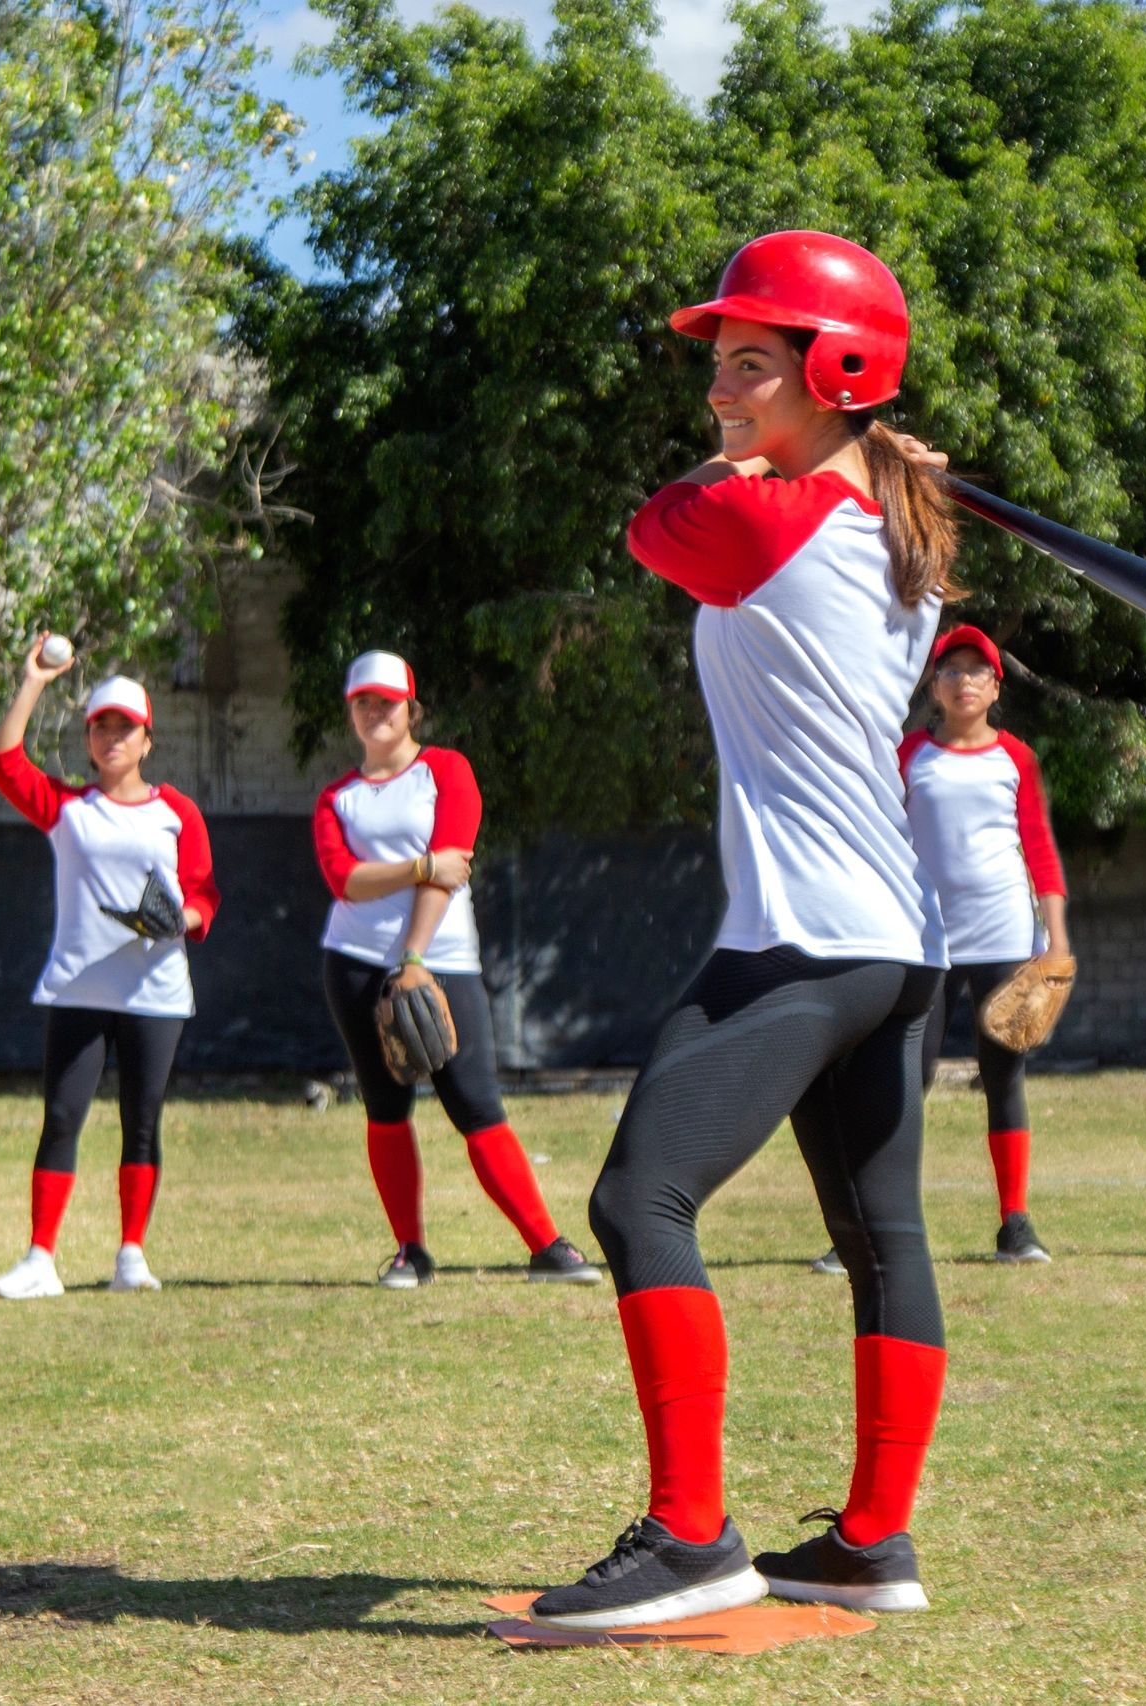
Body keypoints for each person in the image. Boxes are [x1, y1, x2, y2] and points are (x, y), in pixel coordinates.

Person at [530, 230, 956, 1631]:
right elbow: (754, 494)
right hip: (898, 942)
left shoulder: (779, 517)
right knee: (882, 1235)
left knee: (633, 1198)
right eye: (718, 365)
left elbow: (654, 525)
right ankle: (872, 1542)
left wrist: (783, 462)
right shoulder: (894, 533)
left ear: (839, 370)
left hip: (808, 938)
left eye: (751, 366)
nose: (719, 394)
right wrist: (836, 451)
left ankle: (692, 1531)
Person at [312, 649, 601, 1289]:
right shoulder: (338, 797)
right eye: (362, 702)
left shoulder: (445, 769)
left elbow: (454, 860)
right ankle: (409, 1252)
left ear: (411, 707)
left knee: (476, 1102)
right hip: (356, 962)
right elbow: (347, 882)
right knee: (385, 1108)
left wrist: (413, 958)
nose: (374, 711)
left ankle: (546, 1245)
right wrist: (416, 868)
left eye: (387, 701)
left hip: (441, 959)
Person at [813, 624, 1068, 1273]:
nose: (962, 681)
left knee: (1004, 1079)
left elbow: (1037, 847)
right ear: (933, 686)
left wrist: (1056, 938)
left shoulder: (1016, 757)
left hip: (1007, 939)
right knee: (904, 1078)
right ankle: (870, 1226)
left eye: (974, 671)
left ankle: (1015, 1223)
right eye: (949, 670)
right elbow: (877, 837)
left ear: (994, 686)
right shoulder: (908, 755)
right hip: (923, 938)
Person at [0, 637, 220, 1299]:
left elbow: (202, 891)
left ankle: (131, 1257)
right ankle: (40, 1259)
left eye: (126, 726)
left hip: (156, 991)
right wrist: (32, 681)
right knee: (62, 1118)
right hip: (81, 988)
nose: (114, 736)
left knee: (141, 1123)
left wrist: (187, 920)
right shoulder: (69, 810)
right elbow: (3, 762)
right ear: (88, 739)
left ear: (148, 739)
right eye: (102, 726)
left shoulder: (177, 812)